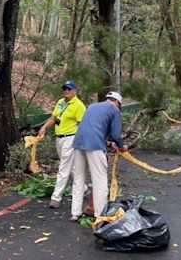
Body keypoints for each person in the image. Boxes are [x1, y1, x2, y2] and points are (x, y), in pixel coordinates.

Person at [70, 91, 127, 221]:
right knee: (100, 181)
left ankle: (75, 213)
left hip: (79, 143)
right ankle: (100, 215)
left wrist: (108, 143)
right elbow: (116, 134)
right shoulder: (114, 110)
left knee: (79, 179)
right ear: (117, 102)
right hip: (95, 146)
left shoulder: (92, 106)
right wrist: (121, 146)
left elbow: (92, 128)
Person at [37, 80, 86, 208]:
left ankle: (56, 197)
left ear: (75, 91)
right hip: (59, 138)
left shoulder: (79, 106)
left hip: (70, 138)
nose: (66, 91)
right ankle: (84, 188)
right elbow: (53, 118)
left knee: (63, 168)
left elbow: (82, 124)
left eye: (69, 89)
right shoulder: (60, 102)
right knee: (70, 167)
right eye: (65, 89)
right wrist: (44, 128)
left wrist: (80, 141)